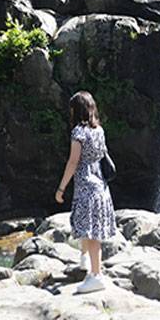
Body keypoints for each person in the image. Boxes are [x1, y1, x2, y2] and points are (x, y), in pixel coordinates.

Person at [55, 91, 117, 294]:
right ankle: (88, 263)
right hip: (100, 186)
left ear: (76, 109)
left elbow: (73, 162)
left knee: (91, 233)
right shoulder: (99, 130)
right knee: (91, 228)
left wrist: (61, 188)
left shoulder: (79, 133)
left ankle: (96, 275)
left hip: (86, 187)